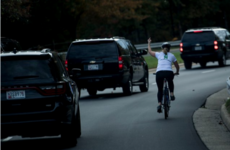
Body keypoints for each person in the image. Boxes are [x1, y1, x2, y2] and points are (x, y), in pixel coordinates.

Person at [147, 38, 179, 113]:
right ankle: (171, 94)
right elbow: (177, 66)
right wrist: (176, 72)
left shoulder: (158, 54)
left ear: (162, 48)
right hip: (169, 72)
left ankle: (159, 104)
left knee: (160, 89)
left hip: (159, 73)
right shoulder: (172, 55)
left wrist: (149, 43)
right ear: (169, 49)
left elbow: (150, 51)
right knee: (170, 81)